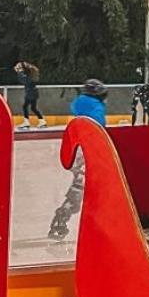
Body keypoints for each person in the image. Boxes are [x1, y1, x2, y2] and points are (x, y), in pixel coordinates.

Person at [48, 79, 108, 240]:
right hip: (89, 151)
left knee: (86, 187)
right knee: (81, 188)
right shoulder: (96, 106)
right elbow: (99, 128)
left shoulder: (78, 104)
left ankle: (90, 221)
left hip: (78, 150)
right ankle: (61, 219)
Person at [14, 59, 46, 129]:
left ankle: (27, 123)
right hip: (32, 92)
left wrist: (19, 71)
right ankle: (42, 121)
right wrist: (20, 71)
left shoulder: (30, 75)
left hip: (31, 92)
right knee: (32, 108)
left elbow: (24, 80)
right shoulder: (31, 73)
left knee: (25, 106)